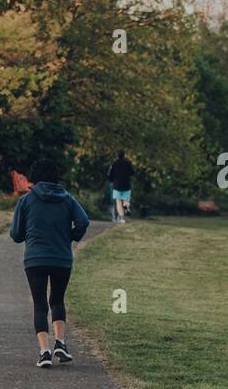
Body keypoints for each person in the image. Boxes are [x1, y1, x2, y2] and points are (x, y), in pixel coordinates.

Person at [9, 158, 90, 367]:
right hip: (62, 258)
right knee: (57, 300)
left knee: (40, 304)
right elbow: (84, 221)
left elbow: (16, 235)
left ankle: (45, 352)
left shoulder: (26, 201)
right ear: (56, 177)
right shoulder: (68, 199)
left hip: (35, 258)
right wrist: (70, 237)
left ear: (34, 177)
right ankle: (60, 343)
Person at [107, 150, 135, 223]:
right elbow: (133, 172)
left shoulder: (114, 164)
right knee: (126, 200)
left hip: (117, 185)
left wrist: (111, 180)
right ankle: (127, 206)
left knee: (118, 202)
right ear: (124, 155)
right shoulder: (128, 163)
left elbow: (109, 174)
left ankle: (122, 218)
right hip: (126, 184)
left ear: (117, 156)